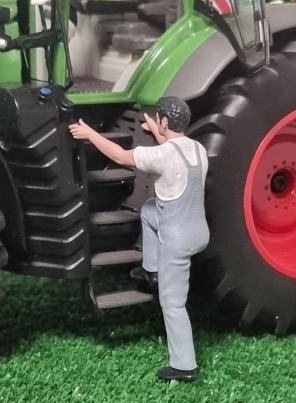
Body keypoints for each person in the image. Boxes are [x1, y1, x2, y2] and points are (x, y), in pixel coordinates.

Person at [69, 97, 209, 382]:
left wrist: (89, 134)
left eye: (159, 120)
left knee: (173, 304)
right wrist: (156, 131)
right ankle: (151, 269)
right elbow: (171, 147)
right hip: (199, 231)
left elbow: (121, 157)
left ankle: (184, 365)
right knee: (149, 210)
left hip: (177, 240)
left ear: (165, 121)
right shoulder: (197, 148)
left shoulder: (163, 155)